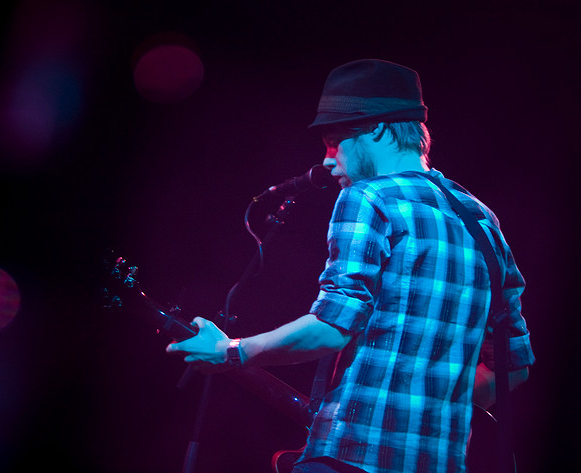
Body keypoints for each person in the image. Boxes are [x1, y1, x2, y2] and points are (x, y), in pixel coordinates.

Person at [166, 59, 535, 473]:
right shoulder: (482, 220)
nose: (327, 161)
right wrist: (427, 405)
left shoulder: (370, 198)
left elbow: (332, 326)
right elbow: (513, 367)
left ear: (375, 129)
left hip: (352, 459)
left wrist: (231, 351)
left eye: (333, 141)